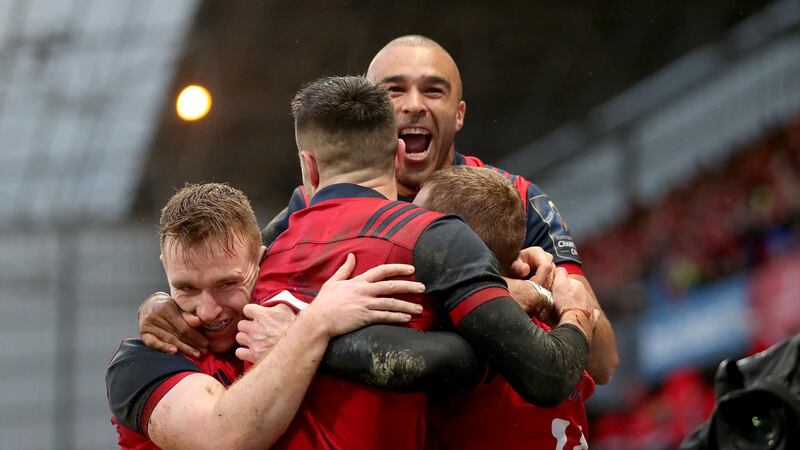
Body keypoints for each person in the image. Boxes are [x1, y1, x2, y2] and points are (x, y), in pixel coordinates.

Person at [251, 75, 596, 450]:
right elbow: (547, 373)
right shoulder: (427, 237)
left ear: (309, 167)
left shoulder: (257, 260)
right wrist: (569, 305)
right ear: (398, 154)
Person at [105, 182, 437, 449]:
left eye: (227, 284)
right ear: (166, 269)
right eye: (186, 288)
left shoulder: (298, 319)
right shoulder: (139, 363)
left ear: (262, 262)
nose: (208, 310)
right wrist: (315, 324)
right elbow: (223, 440)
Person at [414, 165, 594, 449]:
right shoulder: (551, 330)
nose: (407, 232)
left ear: (457, 245)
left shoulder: (471, 339)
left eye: (419, 225)